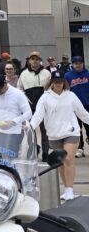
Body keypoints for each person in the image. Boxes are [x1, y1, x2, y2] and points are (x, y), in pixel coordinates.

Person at [29, 70, 89, 200]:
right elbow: (38, 115)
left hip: (71, 132)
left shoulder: (71, 96)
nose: (58, 84)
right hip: (54, 134)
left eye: (61, 82)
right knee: (60, 163)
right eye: (56, 82)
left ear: (64, 82)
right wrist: (30, 127)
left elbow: (82, 113)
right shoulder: (45, 97)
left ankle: (70, 190)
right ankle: (66, 188)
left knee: (68, 159)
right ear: (52, 82)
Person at [66, 55, 89, 156]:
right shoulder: (67, 76)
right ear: (72, 64)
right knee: (77, 128)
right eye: (76, 63)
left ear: (82, 64)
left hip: (87, 104)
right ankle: (80, 148)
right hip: (74, 107)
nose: (78, 65)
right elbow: (66, 91)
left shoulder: (88, 74)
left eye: (80, 63)